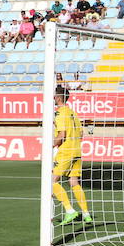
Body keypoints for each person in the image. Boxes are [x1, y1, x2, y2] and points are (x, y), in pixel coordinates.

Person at [52, 85, 91, 225]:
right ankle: (86, 214)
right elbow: (81, 133)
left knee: (52, 181)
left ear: (57, 97)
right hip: (77, 151)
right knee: (74, 182)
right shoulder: (73, 112)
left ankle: (69, 211)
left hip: (66, 151)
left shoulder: (59, 113)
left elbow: (62, 135)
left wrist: (50, 145)